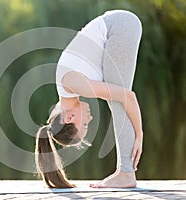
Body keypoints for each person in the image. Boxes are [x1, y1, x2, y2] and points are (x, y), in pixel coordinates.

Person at [35, 10, 143, 188]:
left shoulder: (77, 86)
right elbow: (56, 117)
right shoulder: (66, 90)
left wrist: (139, 135)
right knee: (115, 97)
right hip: (118, 25)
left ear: (69, 118)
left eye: (84, 124)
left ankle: (126, 173)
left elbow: (129, 98)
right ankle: (122, 171)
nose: (90, 119)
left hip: (119, 27)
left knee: (118, 100)